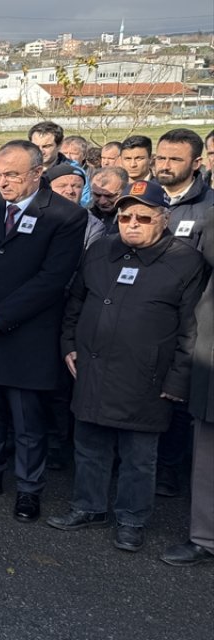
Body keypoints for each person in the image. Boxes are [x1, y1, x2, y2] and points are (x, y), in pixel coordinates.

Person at [47, 180, 207, 552]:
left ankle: (132, 519)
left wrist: (178, 380)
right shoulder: (100, 250)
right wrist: (68, 346)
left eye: (142, 217)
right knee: (89, 444)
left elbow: (191, 329)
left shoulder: (186, 261)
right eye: (124, 217)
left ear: (163, 219)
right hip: (92, 366)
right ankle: (88, 507)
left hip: (147, 376)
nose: (131, 223)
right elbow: (75, 303)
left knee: (138, 457)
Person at [0, 140, 87, 524]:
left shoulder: (65, 216)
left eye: (13, 175)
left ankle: (29, 489)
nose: (4, 183)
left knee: (27, 421)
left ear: (37, 174)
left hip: (25, 334)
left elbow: (52, 279)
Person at [153, 128, 214, 499]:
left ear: (196, 163)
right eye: (161, 157)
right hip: (144, 317)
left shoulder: (207, 209)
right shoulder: (142, 198)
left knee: (176, 397)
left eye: (175, 159)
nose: (165, 165)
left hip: (187, 321)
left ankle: (169, 470)